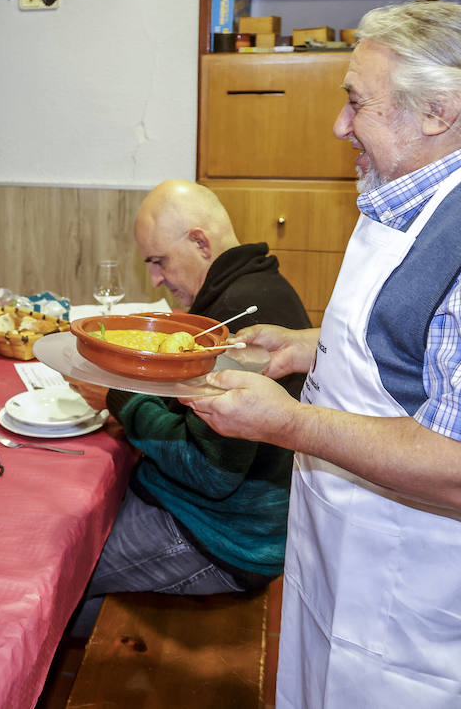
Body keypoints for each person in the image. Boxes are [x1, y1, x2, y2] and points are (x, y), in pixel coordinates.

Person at [192, 1, 461, 708]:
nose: (340, 125)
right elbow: (431, 339)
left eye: (355, 102)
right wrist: (308, 348)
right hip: (397, 563)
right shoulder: (429, 189)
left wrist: (290, 425)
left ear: (437, 113)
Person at [67, 179, 310, 600]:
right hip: (221, 520)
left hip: (221, 541)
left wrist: (116, 398)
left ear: (200, 241)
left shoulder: (232, 319)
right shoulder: (250, 288)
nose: (156, 279)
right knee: (80, 521)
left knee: (65, 568)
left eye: (159, 261)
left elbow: (210, 472)